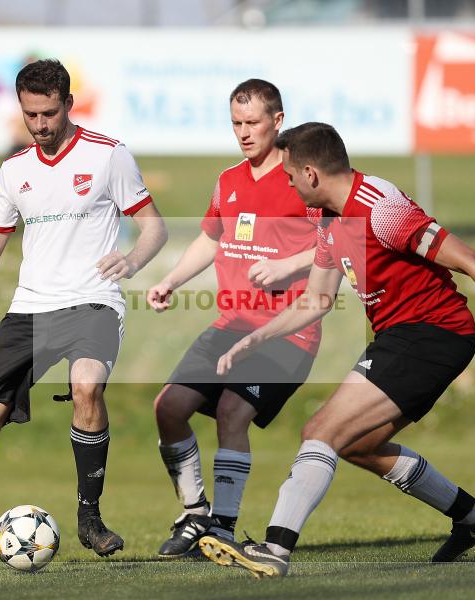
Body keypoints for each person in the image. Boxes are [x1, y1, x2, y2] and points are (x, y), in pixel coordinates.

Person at [199, 122, 475, 577]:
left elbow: (470, 259)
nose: (285, 182)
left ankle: (276, 550)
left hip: (433, 332)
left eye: (288, 175)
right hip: (399, 336)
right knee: (360, 444)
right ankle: (472, 517)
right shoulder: (328, 219)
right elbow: (317, 300)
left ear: (311, 173)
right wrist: (254, 338)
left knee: (321, 430)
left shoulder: (379, 209)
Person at [0, 59, 167, 572]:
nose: (40, 124)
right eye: (31, 115)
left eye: (49, 113)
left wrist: (132, 261)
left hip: (94, 298)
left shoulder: (109, 156)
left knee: (87, 385)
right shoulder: (14, 171)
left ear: (68, 105)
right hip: (30, 308)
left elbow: (154, 229)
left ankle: (89, 517)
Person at [146, 80, 322, 558]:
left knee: (232, 412)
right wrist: (172, 280)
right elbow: (211, 238)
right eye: (236, 124)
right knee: (169, 408)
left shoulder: (304, 177)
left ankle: (222, 527)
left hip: (288, 331)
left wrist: (289, 266)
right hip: (231, 324)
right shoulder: (228, 180)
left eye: (253, 123)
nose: (244, 133)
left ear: (278, 122)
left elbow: (342, 240)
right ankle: (195, 513)